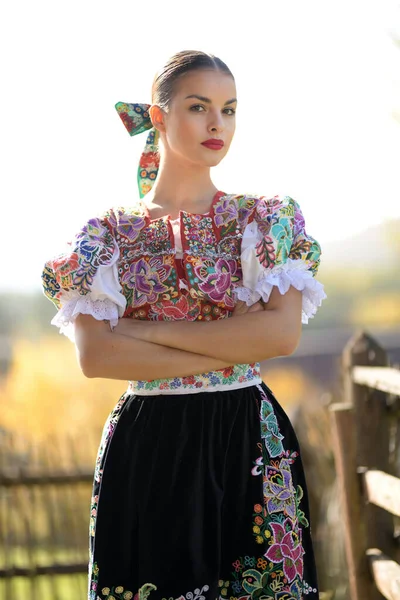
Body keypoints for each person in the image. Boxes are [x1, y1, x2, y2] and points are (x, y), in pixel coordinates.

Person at [42, 50, 327, 600]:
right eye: (199, 107)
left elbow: (281, 337)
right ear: (159, 117)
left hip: (249, 436)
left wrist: (141, 331)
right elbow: (97, 358)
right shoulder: (106, 234)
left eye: (229, 109)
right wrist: (234, 342)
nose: (218, 123)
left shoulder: (265, 218)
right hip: (149, 445)